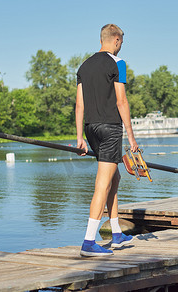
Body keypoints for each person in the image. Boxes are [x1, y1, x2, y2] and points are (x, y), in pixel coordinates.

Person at [75, 24, 138, 257]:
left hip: (91, 128)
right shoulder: (117, 63)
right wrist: (131, 136)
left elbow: (79, 104)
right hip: (111, 128)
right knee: (102, 183)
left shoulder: (84, 65)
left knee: (114, 176)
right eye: (122, 42)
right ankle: (89, 241)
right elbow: (122, 101)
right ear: (117, 40)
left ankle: (117, 233)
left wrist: (80, 137)